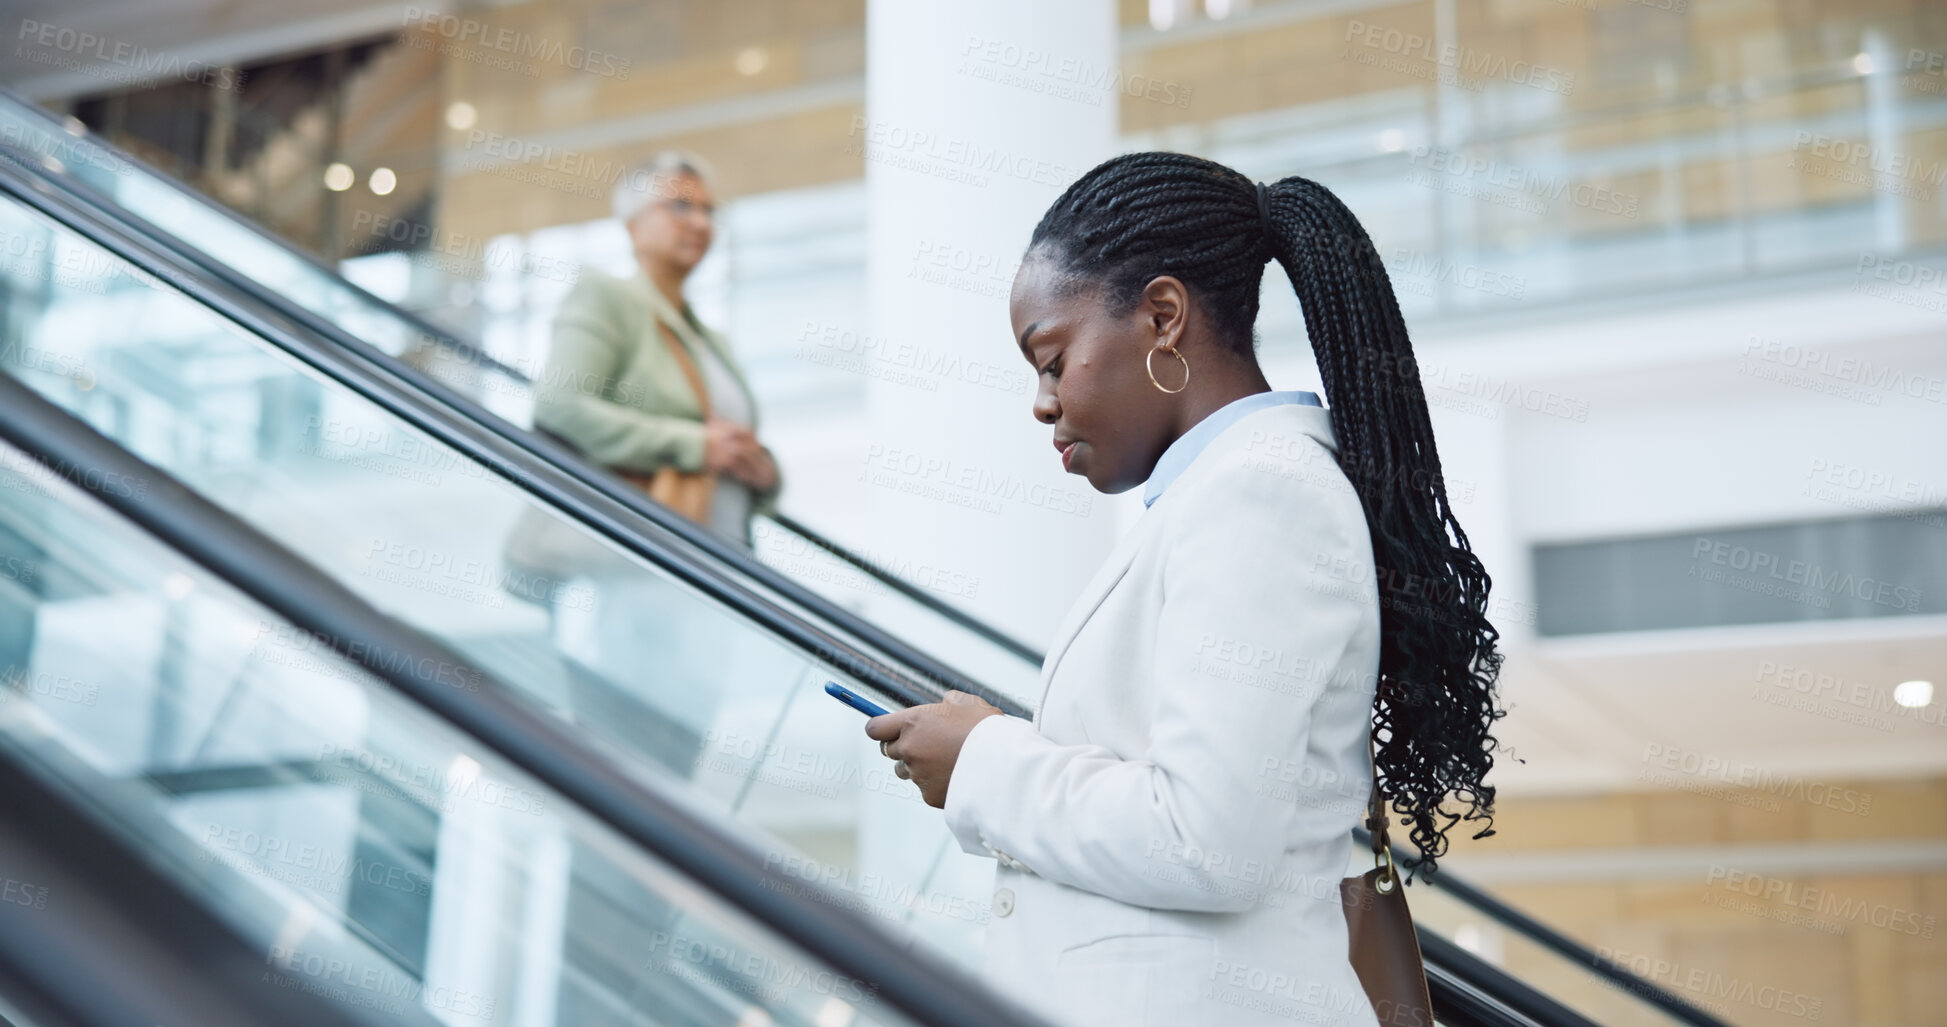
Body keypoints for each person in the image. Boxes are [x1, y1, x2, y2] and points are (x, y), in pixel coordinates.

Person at [865, 153, 1506, 1027]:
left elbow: (1206, 839)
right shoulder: (1231, 495)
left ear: (1163, 317)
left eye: (1052, 359)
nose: (1042, 402)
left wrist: (981, 758)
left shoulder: (1261, 495)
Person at [534, 150, 779, 547]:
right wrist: (694, 445)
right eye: (681, 206)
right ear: (632, 226)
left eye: (708, 210)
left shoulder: (712, 340)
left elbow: (731, 450)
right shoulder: (606, 299)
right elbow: (559, 404)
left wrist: (766, 474)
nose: (700, 223)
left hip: (727, 554)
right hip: (649, 555)